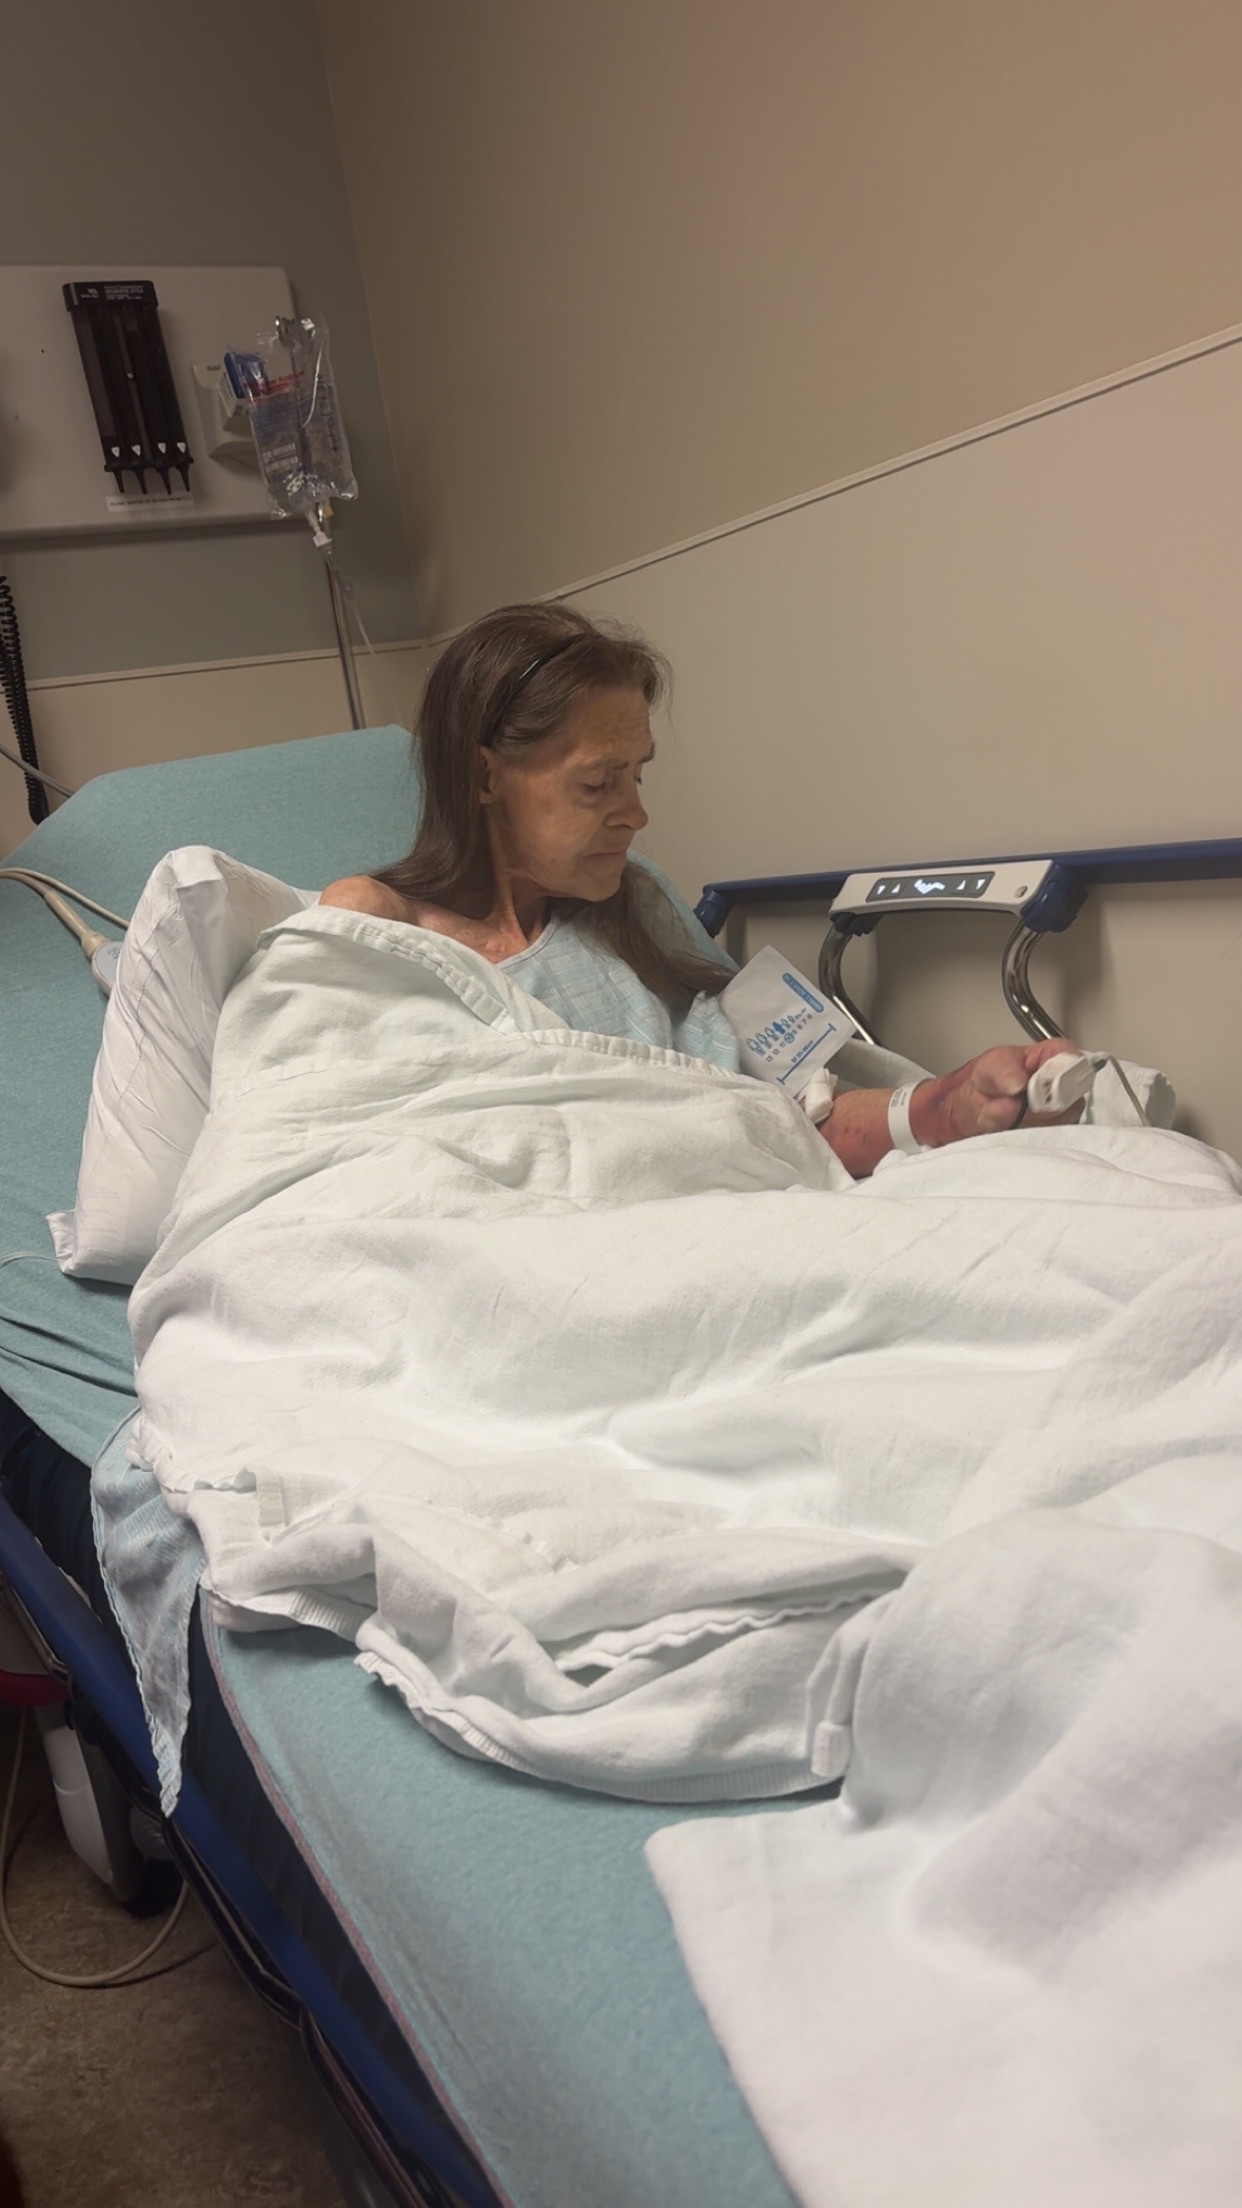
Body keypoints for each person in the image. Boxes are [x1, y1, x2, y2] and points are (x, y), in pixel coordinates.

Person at [322, 603, 1079, 1178]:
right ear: (484, 776)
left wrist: (948, 1106)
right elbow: (351, 1147)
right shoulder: (378, 926)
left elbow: (791, 1109)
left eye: (638, 775)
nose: (637, 814)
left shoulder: (636, 900)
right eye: (598, 783)